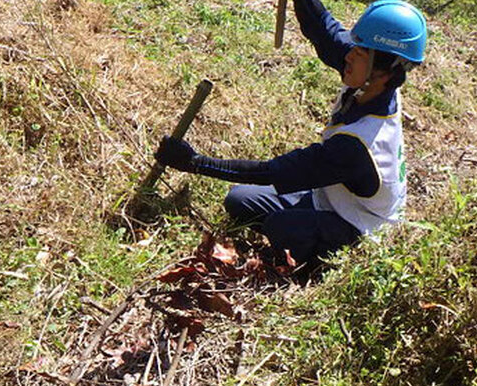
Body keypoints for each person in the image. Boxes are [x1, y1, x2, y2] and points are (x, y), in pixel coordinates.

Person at [154, 0, 428, 266]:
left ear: (384, 71)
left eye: (360, 53)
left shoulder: (359, 146)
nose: (348, 55)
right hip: (331, 198)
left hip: (359, 227)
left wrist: (195, 163)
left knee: (281, 228)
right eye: (354, 47)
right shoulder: (373, 84)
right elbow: (324, 30)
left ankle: (314, 263)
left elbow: (273, 172)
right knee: (239, 199)